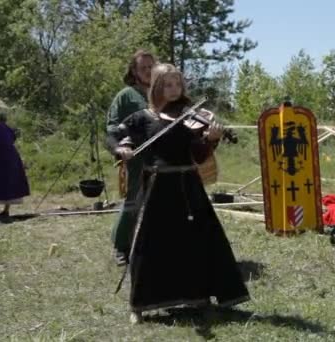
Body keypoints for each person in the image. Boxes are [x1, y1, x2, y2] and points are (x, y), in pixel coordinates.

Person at [107, 63, 250, 324]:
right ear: (156, 87)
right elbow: (116, 136)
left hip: (188, 186)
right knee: (149, 246)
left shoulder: (189, 116)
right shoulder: (142, 118)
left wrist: (211, 139)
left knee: (198, 241)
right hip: (158, 188)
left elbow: (197, 155)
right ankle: (139, 305)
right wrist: (122, 149)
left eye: (178, 84)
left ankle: (200, 297)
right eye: (168, 84)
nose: (174, 90)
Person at [106, 49, 157, 266]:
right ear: (134, 71)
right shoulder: (126, 95)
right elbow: (112, 127)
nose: (148, 71)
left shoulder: (162, 92)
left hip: (162, 158)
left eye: (151, 67)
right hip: (136, 158)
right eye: (143, 68)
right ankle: (122, 247)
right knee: (133, 203)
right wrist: (120, 148)